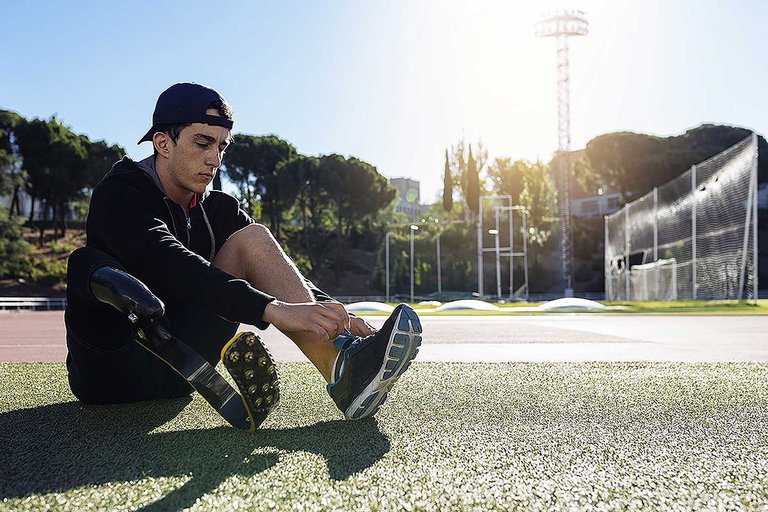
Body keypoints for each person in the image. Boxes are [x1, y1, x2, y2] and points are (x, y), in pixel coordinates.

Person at [65, 82, 422, 429]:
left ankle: (344, 367)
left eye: (222, 146)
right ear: (163, 143)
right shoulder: (119, 194)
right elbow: (169, 263)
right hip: (110, 373)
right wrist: (271, 310)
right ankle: (344, 366)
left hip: (178, 373)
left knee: (253, 240)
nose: (215, 158)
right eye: (203, 143)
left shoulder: (218, 209)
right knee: (86, 263)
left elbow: (279, 271)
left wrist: (339, 318)